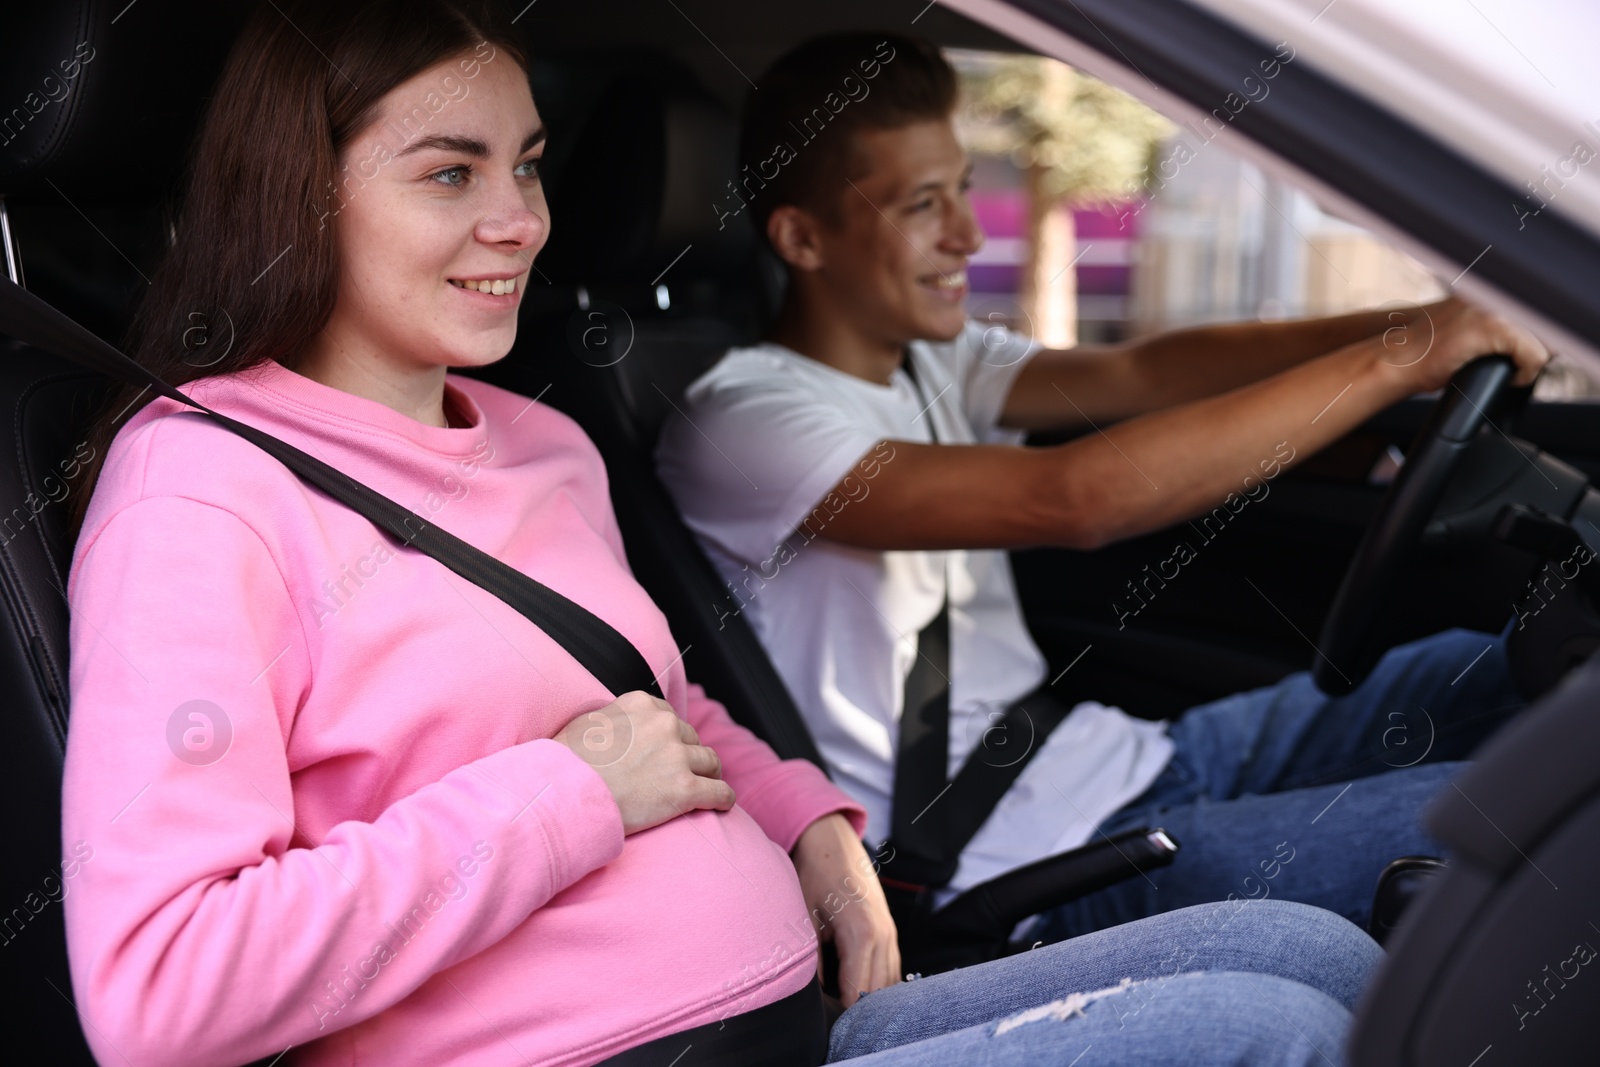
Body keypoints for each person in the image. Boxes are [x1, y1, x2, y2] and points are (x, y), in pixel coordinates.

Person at [57, 4, 1390, 1066]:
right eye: (449, 172)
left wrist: (812, 825)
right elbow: (161, 990)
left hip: (785, 1016)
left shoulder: (541, 441)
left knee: (1320, 957)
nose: (521, 219)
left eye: (526, 163)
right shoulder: (200, 489)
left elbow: (661, 702)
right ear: (301, 196)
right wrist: (570, 794)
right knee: (1285, 1032)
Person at [654, 32, 1549, 944]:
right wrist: (1402, 360)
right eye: (924, 205)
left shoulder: (935, 362)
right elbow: (1070, 499)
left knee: (1515, 668)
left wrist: (1421, 325)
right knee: (1540, 822)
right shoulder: (744, 419)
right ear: (803, 237)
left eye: (963, 187)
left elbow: (1149, 372)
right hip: (1014, 857)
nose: (969, 232)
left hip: (1114, 757)